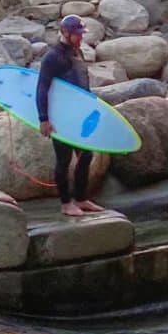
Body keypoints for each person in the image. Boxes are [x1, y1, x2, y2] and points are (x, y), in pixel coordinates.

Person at [37, 15, 102, 218]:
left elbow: (82, 83)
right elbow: (42, 88)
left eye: (81, 34)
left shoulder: (77, 51)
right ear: (65, 33)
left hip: (79, 114)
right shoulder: (52, 57)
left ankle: (81, 198)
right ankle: (66, 203)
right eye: (76, 35)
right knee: (64, 160)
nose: (80, 38)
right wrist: (44, 119)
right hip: (60, 116)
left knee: (86, 155)